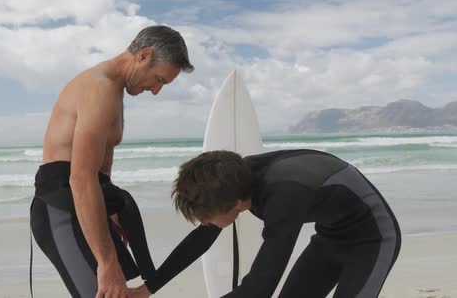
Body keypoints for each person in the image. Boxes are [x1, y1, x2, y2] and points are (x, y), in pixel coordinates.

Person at [30, 25, 194, 298]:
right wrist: (108, 263)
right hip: (60, 209)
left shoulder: (113, 90)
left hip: (83, 206)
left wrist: (109, 210)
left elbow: (100, 169)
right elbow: (80, 178)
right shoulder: (100, 88)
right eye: (159, 80)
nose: (155, 91)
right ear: (143, 56)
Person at [129, 149, 402, 298]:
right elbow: (201, 240)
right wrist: (147, 289)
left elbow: (260, 286)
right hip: (330, 238)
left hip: (373, 239)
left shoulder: (285, 196)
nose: (204, 222)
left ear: (235, 205)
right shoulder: (234, 179)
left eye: (205, 216)